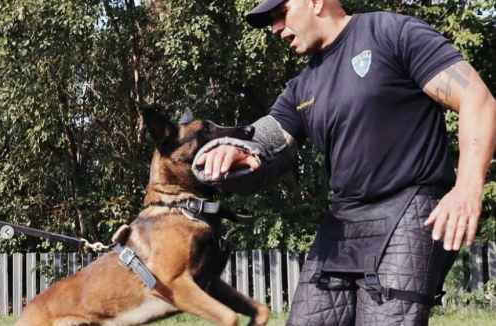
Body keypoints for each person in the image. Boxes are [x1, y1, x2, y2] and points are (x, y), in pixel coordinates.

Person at [192, 0, 496, 325]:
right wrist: (237, 149)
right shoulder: (303, 86)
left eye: (281, 14)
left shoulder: (392, 33)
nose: (276, 28)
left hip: (411, 210)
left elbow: (477, 99)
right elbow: (272, 134)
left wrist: (467, 187)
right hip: (344, 220)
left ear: (315, 2)